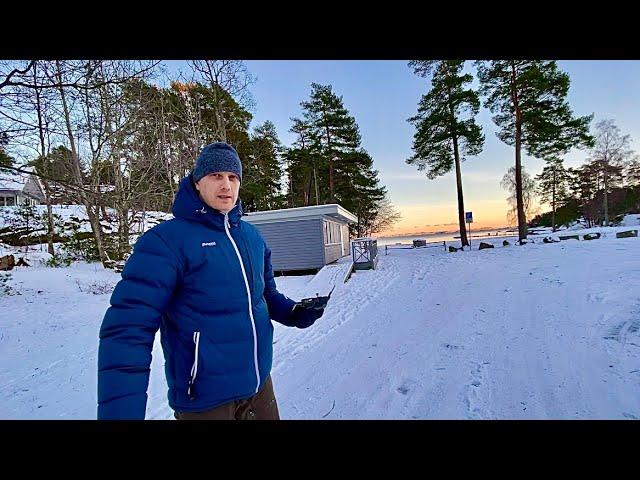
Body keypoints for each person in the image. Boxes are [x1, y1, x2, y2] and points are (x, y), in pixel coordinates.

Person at [97, 142, 326, 420]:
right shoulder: (165, 242)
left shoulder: (252, 238)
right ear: (197, 183)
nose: (226, 185)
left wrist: (293, 313)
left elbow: (265, 295)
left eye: (233, 177)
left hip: (259, 387)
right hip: (206, 403)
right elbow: (127, 331)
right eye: (216, 176)